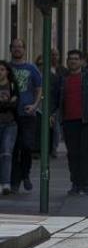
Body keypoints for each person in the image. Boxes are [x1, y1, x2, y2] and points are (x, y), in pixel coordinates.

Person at [54, 50, 88, 196]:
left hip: (86, 121)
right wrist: (52, 113)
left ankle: (86, 183)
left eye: (76, 59)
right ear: (67, 61)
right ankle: (75, 183)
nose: (73, 61)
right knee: (73, 154)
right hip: (69, 121)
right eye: (70, 59)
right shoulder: (62, 79)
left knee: (86, 154)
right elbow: (56, 98)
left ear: (81, 61)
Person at [9, 39, 42, 193]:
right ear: (10, 49)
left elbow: (39, 88)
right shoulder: (6, 68)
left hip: (28, 114)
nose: (17, 49)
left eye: (20, 47)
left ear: (24, 49)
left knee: (27, 146)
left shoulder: (31, 68)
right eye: (14, 47)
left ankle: (25, 174)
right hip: (10, 115)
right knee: (14, 148)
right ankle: (15, 181)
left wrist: (35, 105)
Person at [0, 61, 19, 194]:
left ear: (7, 71)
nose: (0, 72)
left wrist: (5, 105)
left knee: (6, 153)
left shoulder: (12, 85)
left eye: (2, 69)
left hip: (10, 124)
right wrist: (7, 103)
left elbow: (15, 104)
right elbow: (10, 104)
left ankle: (6, 183)